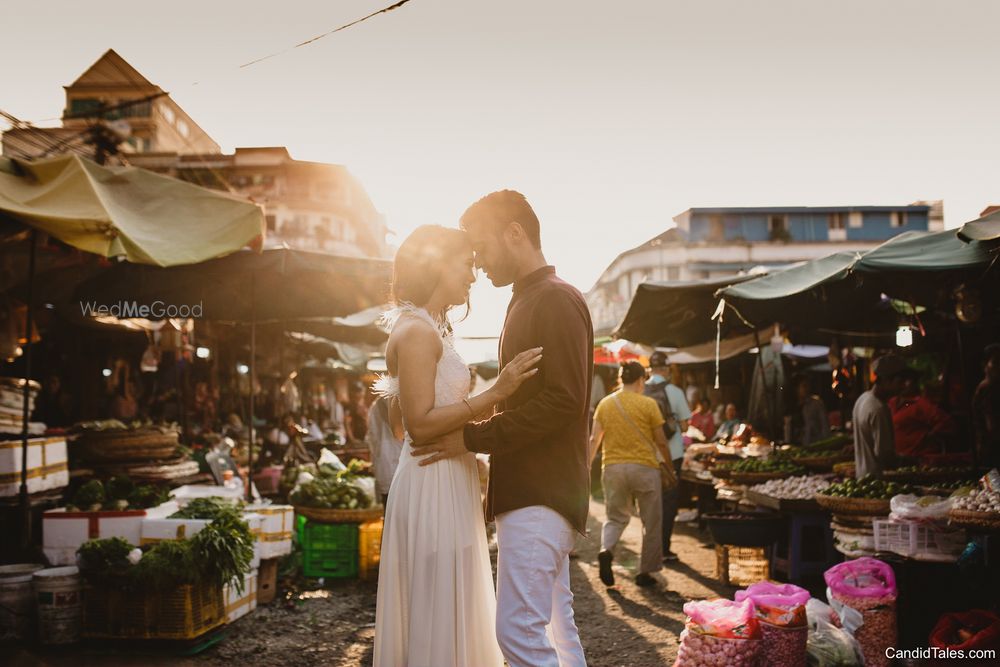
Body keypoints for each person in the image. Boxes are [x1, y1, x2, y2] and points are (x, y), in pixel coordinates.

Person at [412, 191, 591, 667]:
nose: (478, 262)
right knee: (555, 625)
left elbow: (565, 401)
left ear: (515, 233)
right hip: (539, 490)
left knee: (516, 632)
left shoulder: (552, 298)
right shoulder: (532, 298)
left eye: (482, 247)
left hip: (540, 491)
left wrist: (472, 437)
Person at [371, 224, 543, 667]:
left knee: (449, 596)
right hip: (432, 480)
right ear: (436, 265)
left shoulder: (431, 329)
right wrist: (495, 393)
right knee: (437, 598)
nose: (472, 276)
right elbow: (418, 426)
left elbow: (400, 420)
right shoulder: (416, 332)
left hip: (449, 474)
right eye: (465, 265)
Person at [590, 361, 672, 588]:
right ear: (640, 380)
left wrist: (586, 467)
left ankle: (606, 550)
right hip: (645, 469)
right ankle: (645, 572)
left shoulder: (605, 404)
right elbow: (661, 442)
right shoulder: (648, 404)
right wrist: (670, 468)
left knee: (615, 517)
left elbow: (594, 439)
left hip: (614, 468)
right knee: (651, 522)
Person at [644, 351, 691, 563]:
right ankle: (664, 548)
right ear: (667, 369)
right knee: (669, 502)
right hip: (673, 455)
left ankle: (650, 549)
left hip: (648, 455)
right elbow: (685, 425)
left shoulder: (640, 390)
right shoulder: (675, 391)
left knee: (649, 502)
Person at [853, 354, 906, 479]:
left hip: (862, 477)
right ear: (885, 380)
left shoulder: (863, 399)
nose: (902, 387)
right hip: (877, 481)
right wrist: (909, 461)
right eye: (899, 382)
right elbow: (884, 455)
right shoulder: (878, 409)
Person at [889, 368, 955, 457]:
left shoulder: (921, 404)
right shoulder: (891, 402)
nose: (905, 384)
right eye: (902, 380)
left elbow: (946, 421)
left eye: (909, 380)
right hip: (898, 458)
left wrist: (930, 437)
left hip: (917, 458)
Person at [365, 395, 404, 506]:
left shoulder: (375, 406)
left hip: (385, 463)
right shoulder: (391, 401)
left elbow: (372, 437)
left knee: (388, 507)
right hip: (394, 462)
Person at [972, 344, 1000, 468]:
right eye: (996, 362)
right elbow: (992, 426)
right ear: (985, 365)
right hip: (993, 452)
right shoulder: (987, 389)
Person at [795, 375, 830, 445]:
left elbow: (824, 425)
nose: (806, 389)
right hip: (803, 444)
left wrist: (826, 442)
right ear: (797, 389)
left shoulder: (817, 403)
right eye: (803, 386)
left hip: (817, 443)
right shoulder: (796, 406)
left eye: (807, 386)